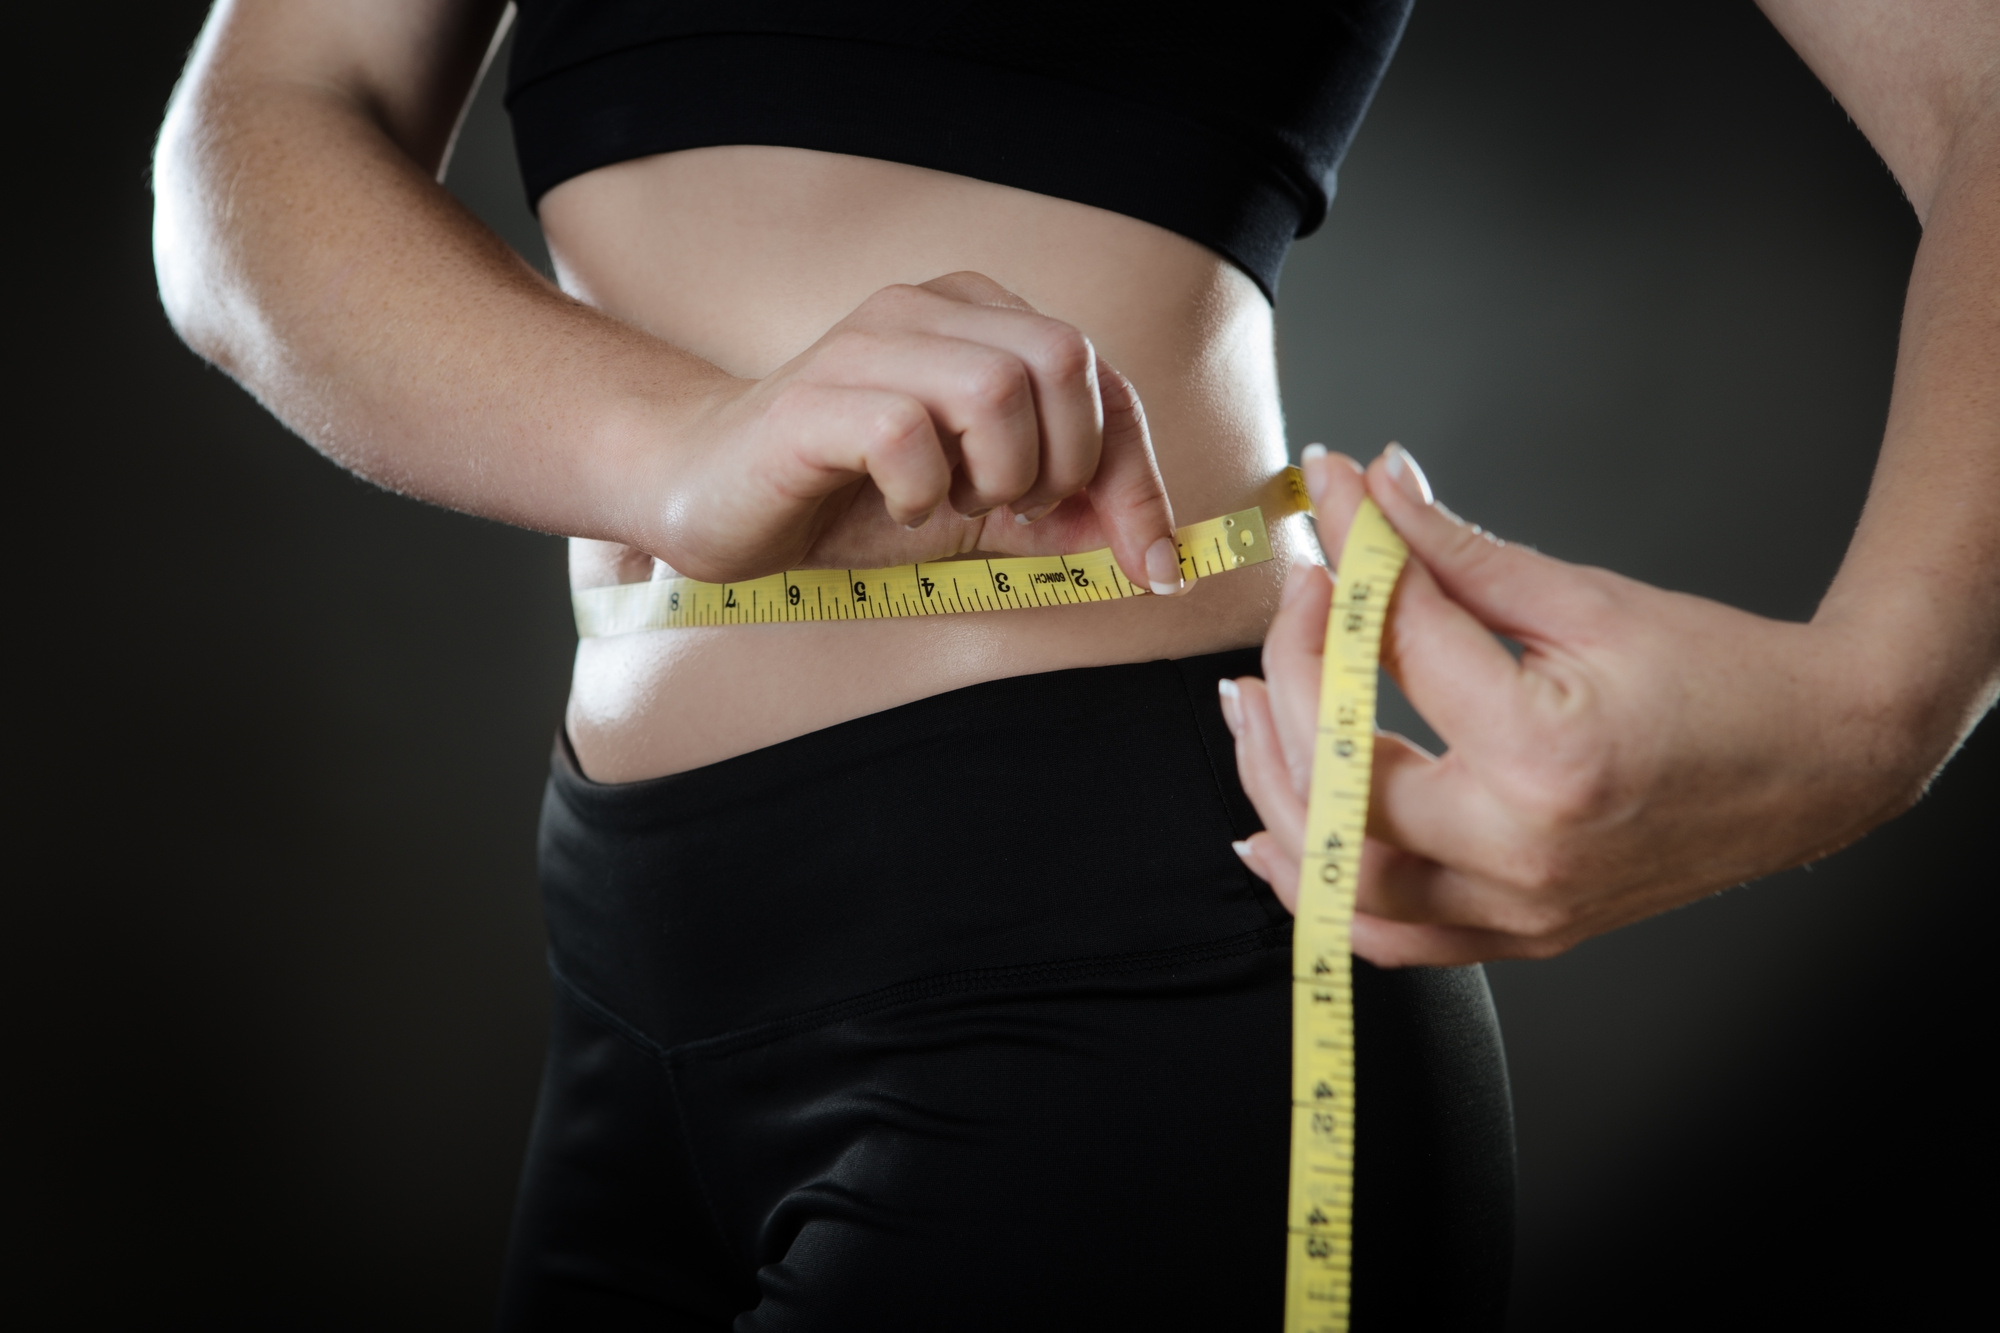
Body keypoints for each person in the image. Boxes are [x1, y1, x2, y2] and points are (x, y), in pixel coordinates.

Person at [148, 2, 1997, 1329]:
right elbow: (265, 126)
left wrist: (1876, 699)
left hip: (1131, 951)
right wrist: (673, 446)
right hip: (624, 967)